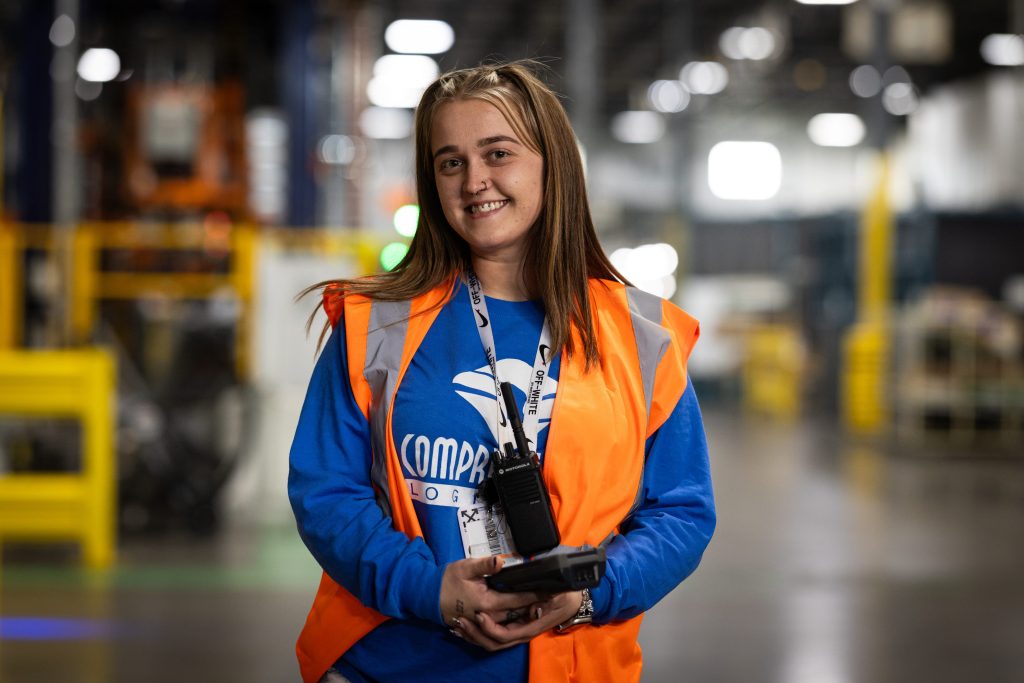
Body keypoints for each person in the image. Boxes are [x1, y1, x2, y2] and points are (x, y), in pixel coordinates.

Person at [288, 60, 715, 683]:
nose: (474, 181)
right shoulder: (375, 324)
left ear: (552, 163)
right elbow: (326, 493)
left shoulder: (642, 337)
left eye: (498, 153)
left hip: (570, 666)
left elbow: (681, 512)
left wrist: (588, 593)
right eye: (450, 162)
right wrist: (429, 590)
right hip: (389, 666)